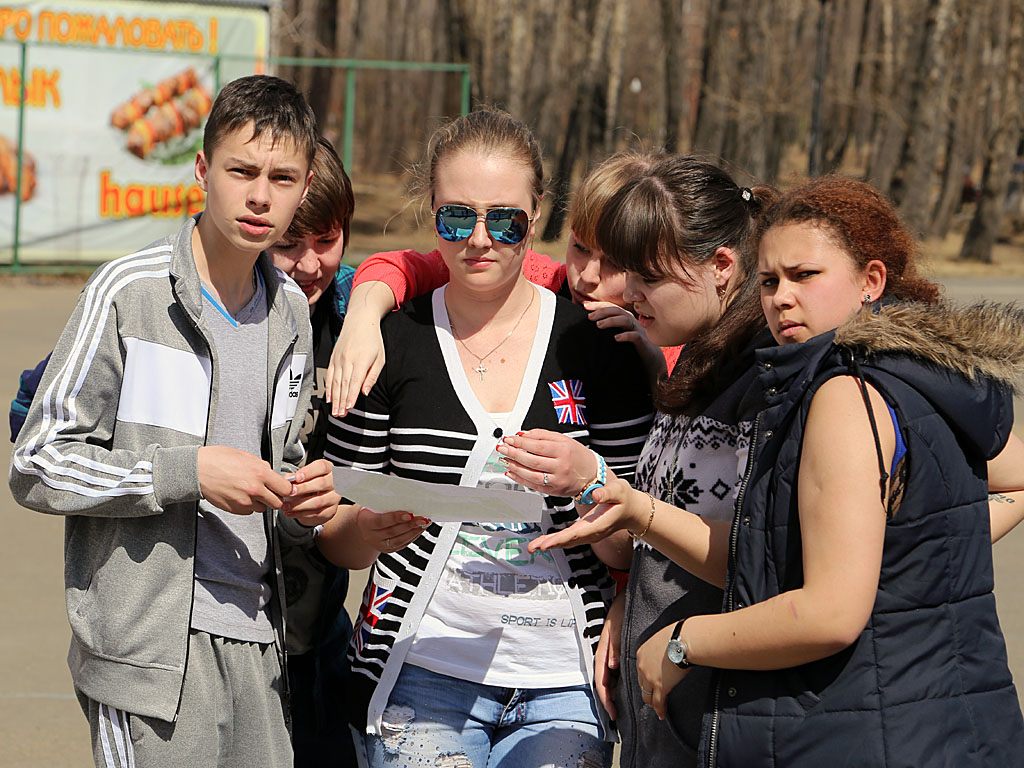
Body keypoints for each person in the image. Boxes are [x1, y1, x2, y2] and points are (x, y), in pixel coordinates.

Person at [530, 177, 1024, 766]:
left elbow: (832, 612)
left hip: (861, 728)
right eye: (770, 281)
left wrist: (687, 641)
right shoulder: (891, 372)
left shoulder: (844, 391)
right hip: (941, 726)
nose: (781, 298)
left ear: (871, 280)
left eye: (805, 276)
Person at [9, 75, 340, 768]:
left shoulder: (291, 317)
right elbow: (37, 460)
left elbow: (277, 476)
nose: (259, 195)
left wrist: (303, 506)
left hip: (258, 646)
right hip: (147, 657)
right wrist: (186, 472)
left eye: (281, 177)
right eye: (241, 171)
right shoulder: (128, 293)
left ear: (304, 184)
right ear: (201, 169)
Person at [315, 109, 654, 768]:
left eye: (505, 221)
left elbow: (633, 543)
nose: (478, 240)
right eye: (454, 217)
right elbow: (334, 531)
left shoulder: (598, 346)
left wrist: (590, 482)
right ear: (431, 212)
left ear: (538, 214)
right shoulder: (389, 339)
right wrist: (367, 528)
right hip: (420, 673)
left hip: (565, 681)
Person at [497, 155, 776, 767]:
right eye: (582, 252)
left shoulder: (774, 379)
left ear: (722, 268)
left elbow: (766, 557)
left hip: (726, 708)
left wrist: (611, 492)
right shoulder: (687, 361)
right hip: (664, 703)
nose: (619, 288)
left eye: (639, 272)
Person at [325, 149, 678, 418]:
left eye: (615, 264)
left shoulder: (673, 334)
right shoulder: (528, 276)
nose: (587, 276)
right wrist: (362, 319)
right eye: (580, 248)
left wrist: (652, 365)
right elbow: (398, 266)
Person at [265, 135, 358, 768]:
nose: (308, 264)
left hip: (318, 633)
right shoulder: (213, 303)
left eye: (325, 241)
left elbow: (434, 272)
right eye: (287, 244)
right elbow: (38, 404)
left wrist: (375, 299)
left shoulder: (356, 307)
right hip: (214, 636)